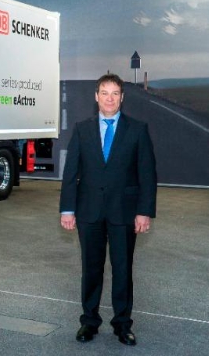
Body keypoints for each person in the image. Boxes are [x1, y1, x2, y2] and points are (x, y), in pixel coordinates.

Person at [59, 73, 157, 346]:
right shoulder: (82, 129)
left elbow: (147, 174)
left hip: (124, 213)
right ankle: (89, 322)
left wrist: (144, 211)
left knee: (123, 269)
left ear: (122, 97)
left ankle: (122, 324)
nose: (110, 98)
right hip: (89, 211)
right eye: (104, 92)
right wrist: (67, 209)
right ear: (96, 96)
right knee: (91, 269)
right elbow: (71, 173)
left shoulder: (138, 129)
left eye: (115, 93)